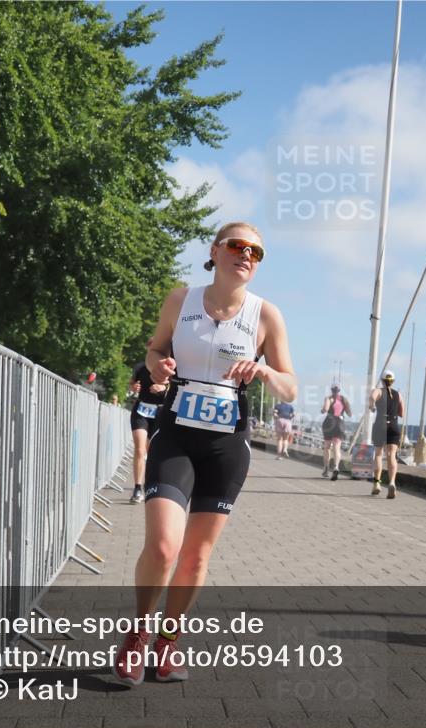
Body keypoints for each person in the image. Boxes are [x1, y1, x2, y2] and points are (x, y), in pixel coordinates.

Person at [112, 221, 297, 686]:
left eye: (257, 252)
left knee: (194, 558)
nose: (247, 256)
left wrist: (262, 370)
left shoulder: (266, 315)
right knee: (162, 546)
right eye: (237, 246)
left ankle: (167, 646)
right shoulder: (181, 300)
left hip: (225, 446)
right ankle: (137, 634)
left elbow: (290, 385)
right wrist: (160, 365)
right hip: (176, 438)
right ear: (215, 251)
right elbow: (154, 350)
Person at [127, 356, 167, 504]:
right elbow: (132, 383)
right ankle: (137, 488)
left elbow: (177, 388)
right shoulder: (140, 366)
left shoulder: (172, 366)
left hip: (160, 412)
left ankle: (150, 485)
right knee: (139, 449)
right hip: (141, 409)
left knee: (153, 452)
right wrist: (133, 387)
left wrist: (164, 388)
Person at [369, 370, 405, 498]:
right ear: (393, 381)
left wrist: (372, 406)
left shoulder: (378, 391)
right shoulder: (398, 395)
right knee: (391, 455)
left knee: (378, 454)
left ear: (382, 380)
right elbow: (402, 413)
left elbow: (372, 399)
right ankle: (392, 482)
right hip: (394, 425)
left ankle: (377, 483)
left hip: (380, 424)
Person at [320, 384, 351, 479]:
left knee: (327, 447)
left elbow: (325, 409)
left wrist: (322, 410)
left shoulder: (329, 398)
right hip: (340, 424)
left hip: (329, 423)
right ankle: (336, 467)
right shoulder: (344, 399)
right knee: (337, 447)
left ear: (331, 390)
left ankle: (326, 468)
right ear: (339, 390)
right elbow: (349, 414)